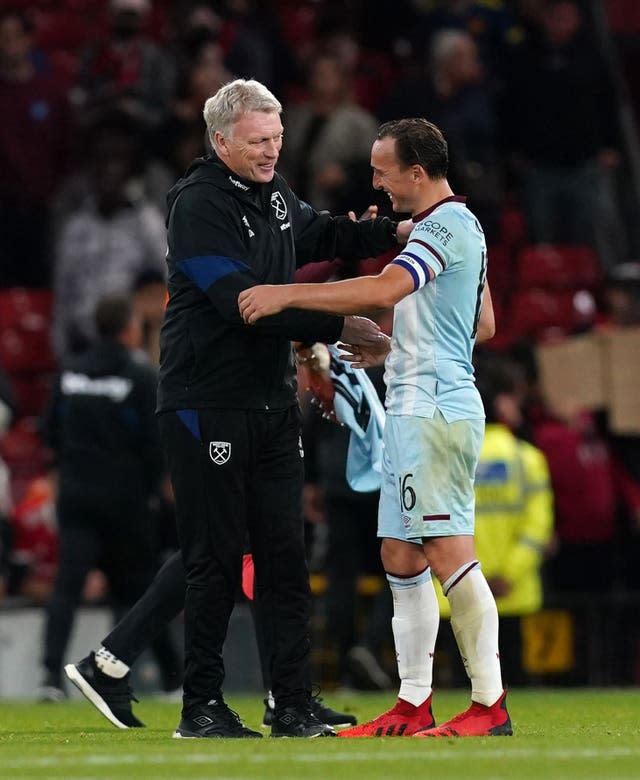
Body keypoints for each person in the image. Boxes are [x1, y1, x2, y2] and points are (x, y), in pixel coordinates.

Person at [154, 78, 411, 740]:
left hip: (269, 401)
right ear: (221, 140)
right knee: (213, 559)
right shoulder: (198, 205)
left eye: (277, 139)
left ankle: (291, 702)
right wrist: (338, 328)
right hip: (206, 400)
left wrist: (394, 229)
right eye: (258, 141)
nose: (272, 152)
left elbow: (320, 233)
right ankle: (201, 705)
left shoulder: (271, 196)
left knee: (284, 557)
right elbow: (242, 304)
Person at [239, 117, 511, 738]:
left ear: (417, 173)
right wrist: (402, 351)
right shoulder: (462, 228)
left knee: (446, 551)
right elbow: (484, 322)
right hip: (417, 400)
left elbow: (388, 286)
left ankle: (490, 705)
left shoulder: (443, 225)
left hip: (435, 410)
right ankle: (414, 702)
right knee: (399, 552)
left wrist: (287, 296)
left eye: (381, 170)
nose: (376, 182)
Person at [39, 294, 166, 699]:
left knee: (66, 588)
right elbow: (155, 445)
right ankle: (175, 677)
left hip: (76, 498)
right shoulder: (140, 376)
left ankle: (48, 678)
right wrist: (151, 492)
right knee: (146, 590)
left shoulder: (70, 372)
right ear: (130, 327)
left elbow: (48, 433)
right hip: (124, 501)